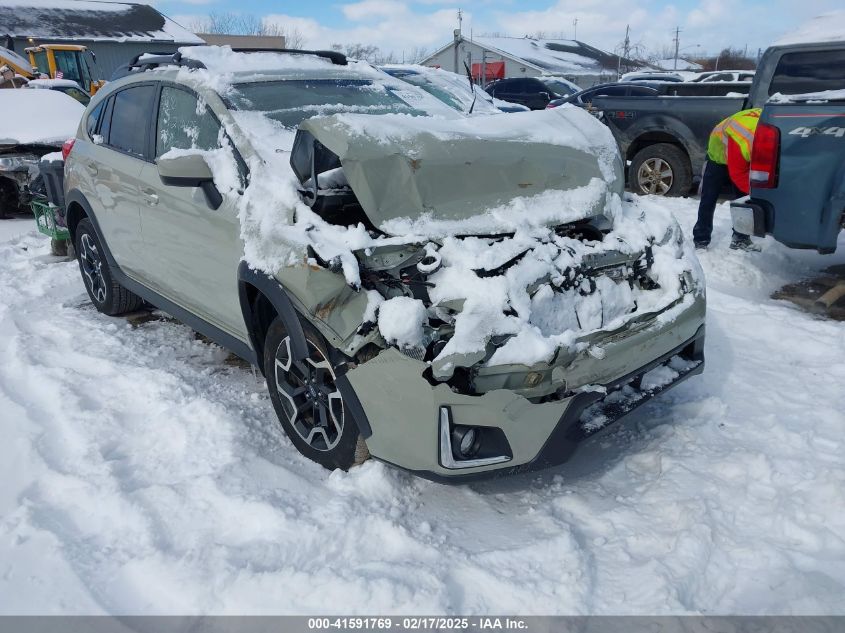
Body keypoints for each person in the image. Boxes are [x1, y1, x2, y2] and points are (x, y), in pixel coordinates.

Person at [693, 107, 763, 251]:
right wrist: (757, 194)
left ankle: (740, 239)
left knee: (742, 199)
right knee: (709, 199)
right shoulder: (744, 140)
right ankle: (701, 239)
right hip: (717, 158)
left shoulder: (769, 122)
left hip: (738, 149)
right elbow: (738, 175)